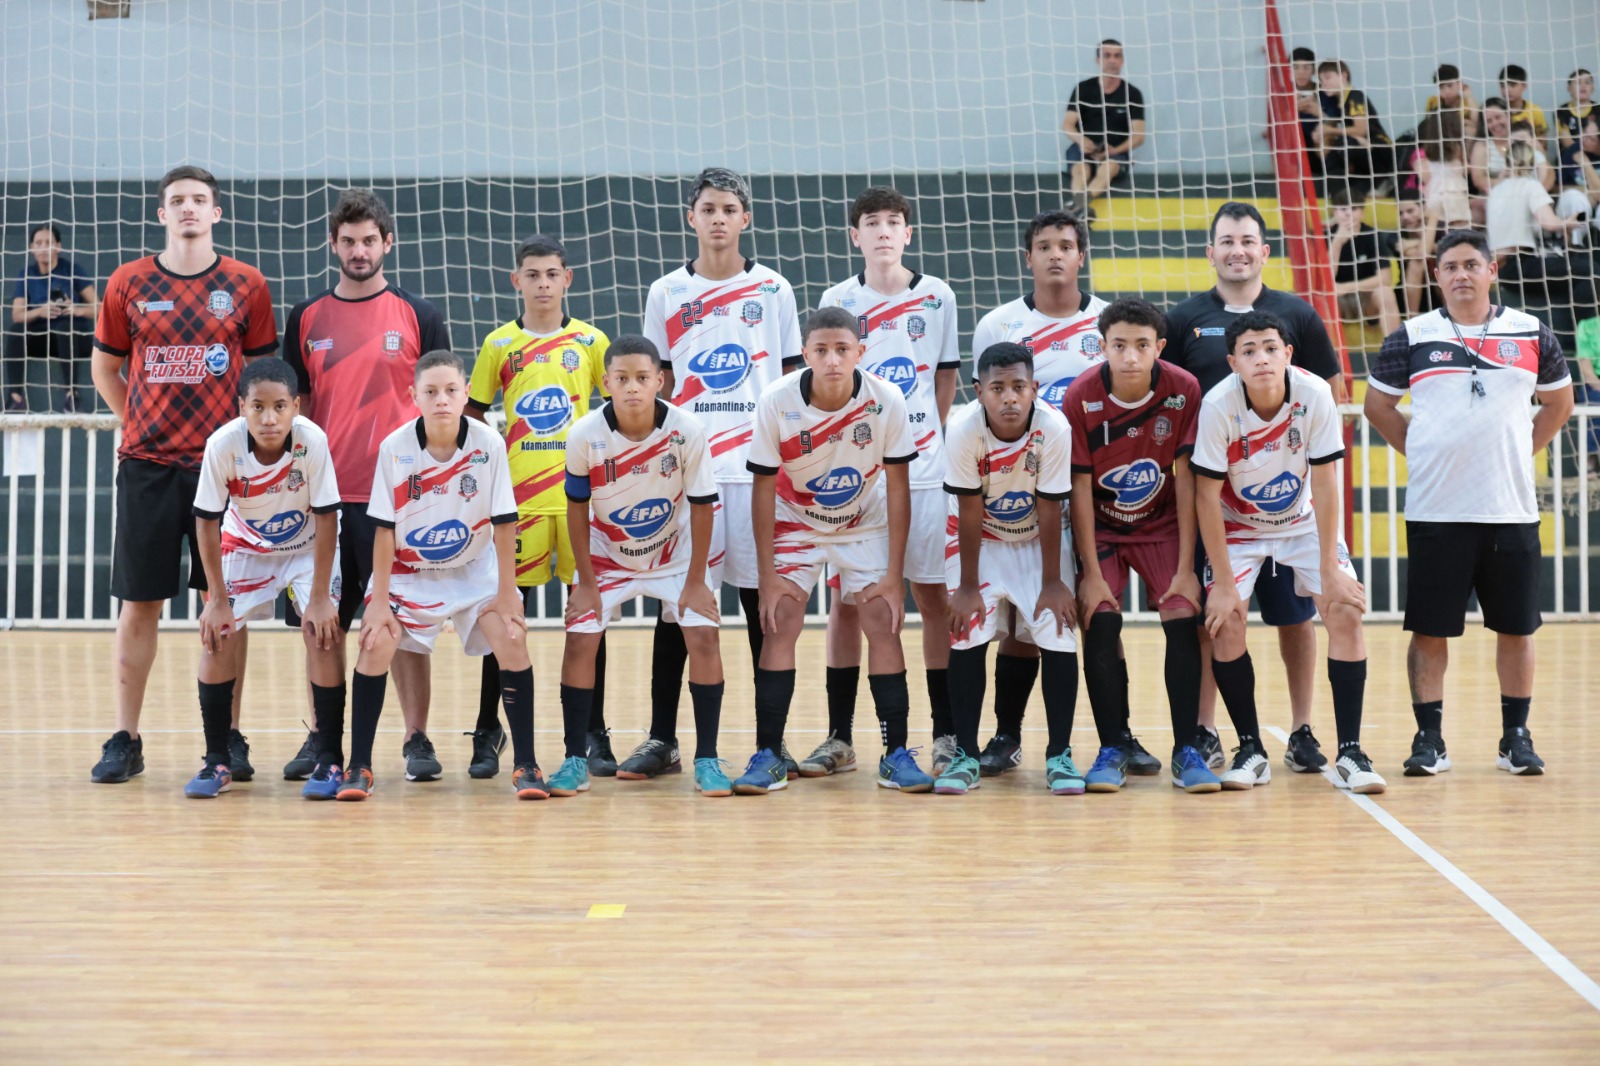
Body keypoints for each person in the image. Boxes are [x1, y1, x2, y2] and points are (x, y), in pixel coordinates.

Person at [89, 165, 278, 785]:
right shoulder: (129, 282)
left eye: (200, 200)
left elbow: (259, 384)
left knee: (225, 603)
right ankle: (125, 737)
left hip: (221, 471)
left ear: (216, 213)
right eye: (178, 201)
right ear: (161, 213)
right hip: (146, 466)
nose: (189, 208)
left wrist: (241, 444)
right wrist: (134, 421)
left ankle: (226, 738)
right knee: (139, 602)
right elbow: (105, 371)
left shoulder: (246, 285)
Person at [1363, 230, 1574, 777]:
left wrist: (1519, 450)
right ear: (1436, 275)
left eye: (1470, 265)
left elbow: (1558, 402)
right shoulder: (1412, 334)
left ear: (1492, 269)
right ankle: (1429, 739)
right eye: (1450, 266)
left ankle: (1515, 738)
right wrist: (1423, 450)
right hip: (1437, 510)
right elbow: (1377, 406)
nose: (1460, 274)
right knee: (1430, 629)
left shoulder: (1530, 331)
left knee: (1517, 628)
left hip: (1510, 509)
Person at [968, 209, 1161, 778]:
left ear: (1082, 256)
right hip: (1021, 503)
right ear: (1027, 257)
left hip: (1096, 498)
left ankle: (1117, 737)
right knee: (1022, 625)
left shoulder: (1110, 325)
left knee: (1102, 621)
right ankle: (1005, 737)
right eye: (1044, 245)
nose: (1056, 254)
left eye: (1066, 245)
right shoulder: (997, 325)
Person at [1161, 201, 1346, 775]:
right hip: (1215, 499)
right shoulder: (1184, 319)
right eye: (1226, 241)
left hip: (1287, 499)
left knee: (1296, 619)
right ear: (1210, 252)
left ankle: (1302, 729)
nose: (1237, 249)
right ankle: (1210, 729)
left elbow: (1330, 394)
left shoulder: (1296, 314)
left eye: (1248, 240)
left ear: (1265, 251)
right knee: (1215, 618)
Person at [281, 188, 452, 784]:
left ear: (388, 243)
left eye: (369, 240)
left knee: (399, 622)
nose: (358, 250)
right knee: (320, 624)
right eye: (348, 241)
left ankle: (416, 737)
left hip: (400, 501)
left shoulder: (420, 315)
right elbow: (293, 411)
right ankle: (322, 737)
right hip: (325, 500)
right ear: (334, 245)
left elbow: (439, 403)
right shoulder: (304, 317)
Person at [642, 167, 802, 774]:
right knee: (679, 609)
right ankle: (664, 740)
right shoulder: (666, 293)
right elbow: (657, 386)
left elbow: (792, 385)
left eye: (728, 208)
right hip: (692, 476)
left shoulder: (774, 290)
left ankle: (771, 744)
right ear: (692, 217)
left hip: (759, 473)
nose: (716, 217)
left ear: (745, 218)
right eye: (706, 207)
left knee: (765, 606)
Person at [738, 306, 930, 795]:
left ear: (860, 353)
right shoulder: (776, 400)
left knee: (882, 622)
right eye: (820, 350)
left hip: (863, 521)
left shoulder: (885, 399)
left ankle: (896, 754)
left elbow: (900, 487)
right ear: (804, 354)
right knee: (780, 619)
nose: (831, 360)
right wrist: (767, 575)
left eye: (842, 349)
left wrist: (893, 574)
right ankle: (768, 754)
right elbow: (760, 489)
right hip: (794, 521)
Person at [1193, 311, 1384, 793]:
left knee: (1344, 610)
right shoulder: (1218, 406)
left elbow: (1325, 478)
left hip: (1301, 521)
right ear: (1233, 361)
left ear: (1288, 354)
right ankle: (1250, 747)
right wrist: (1221, 582)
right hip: (1238, 525)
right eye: (1250, 351)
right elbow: (1204, 496)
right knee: (1226, 620)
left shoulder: (1315, 393)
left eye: (1271, 348)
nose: (1262, 358)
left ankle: (1351, 752)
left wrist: (1329, 570)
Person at [337, 349, 538, 801]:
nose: (442, 400)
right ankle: (358, 767)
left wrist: (508, 592)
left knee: (511, 635)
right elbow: (383, 532)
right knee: (374, 642)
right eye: (431, 392)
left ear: (467, 393)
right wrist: (381, 601)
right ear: (414, 396)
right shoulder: (395, 448)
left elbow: (506, 520)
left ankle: (527, 764)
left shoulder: (489, 444)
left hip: (472, 569)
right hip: (411, 571)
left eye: (451, 390)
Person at [807, 186, 958, 778]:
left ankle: (945, 734)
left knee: (932, 599)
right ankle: (840, 739)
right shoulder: (838, 298)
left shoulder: (937, 296)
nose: (885, 232)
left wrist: (921, 436)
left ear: (908, 233)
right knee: (847, 606)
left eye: (895, 222)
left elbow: (943, 382)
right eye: (872, 223)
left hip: (923, 473)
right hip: (857, 477)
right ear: (856, 236)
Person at [466, 236, 611, 779]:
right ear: (517, 281)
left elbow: (617, 406)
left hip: (579, 504)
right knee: (501, 623)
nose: (543, 283)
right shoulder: (499, 345)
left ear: (567, 279)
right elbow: (475, 416)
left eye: (552, 273)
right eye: (533, 274)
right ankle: (488, 730)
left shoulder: (592, 342)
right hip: (518, 508)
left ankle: (594, 731)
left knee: (589, 622)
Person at [1063, 299, 1221, 794]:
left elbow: (1188, 475)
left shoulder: (1184, 388)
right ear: (1102, 345)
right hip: (1104, 529)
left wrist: (1188, 565)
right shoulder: (1081, 396)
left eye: (1142, 346)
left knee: (1182, 616)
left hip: (1164, 524)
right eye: (1119, 346)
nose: (1130, 357)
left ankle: (1187, 748)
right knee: (1101, 619)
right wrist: (1089, 571)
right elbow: (1080, 488)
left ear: (1160, 347)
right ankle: (1113, 745)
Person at [560, 335, 728, 796]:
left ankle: (708, 759)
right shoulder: (584, 434)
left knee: (704, 635)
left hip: (672, 551)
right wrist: (587, 584)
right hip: (606, 553)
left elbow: (701, 505)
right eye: (622, 379)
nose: (632, 387)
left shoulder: (687, 430)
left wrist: (695, 581)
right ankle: (575, 758)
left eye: (641, 378)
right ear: (605, 383)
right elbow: (577, 509)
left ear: (660, 380)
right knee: (579, 642)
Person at [187, 358, 343, 799]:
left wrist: (318, 598)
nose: (269, 418)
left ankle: (330, 759)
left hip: (307, 545)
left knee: (322, 632)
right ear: (241, 407)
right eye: (258, 407)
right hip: (246, 544)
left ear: (296, 406)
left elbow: (330, 517)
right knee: (217, 632)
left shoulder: (312, 441)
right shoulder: (223, 446)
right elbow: (205, 522)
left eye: (279, 406)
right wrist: (216, 597)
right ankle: (217, 760)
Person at [935, 342, 1079, 796]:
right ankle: (964, 754)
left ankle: (1059, 754)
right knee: (969, 629)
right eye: (998, 388)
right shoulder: (961, 428)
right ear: (979, 391)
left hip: (1040, 539)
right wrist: (967, 587)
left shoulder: (1054, 427)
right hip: (978, 537)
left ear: (1035, 388)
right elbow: (969, 508)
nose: (1010, 397)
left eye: (1019, 386)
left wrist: (1053, 582)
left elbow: (1052, 505)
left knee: (1056, 630)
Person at [1486, 140, 1597, 347]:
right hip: (1521, 265)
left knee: (1578, 263)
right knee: (1590, 271)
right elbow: (1551, 224)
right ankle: (1585, 342)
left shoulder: (1496, 190)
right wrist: (1569, 222)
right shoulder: (1530, 185)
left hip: (1502, 268)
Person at [8, 224, 98, 412]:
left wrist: (75, 309)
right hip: (44, 338)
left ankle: (71, 397)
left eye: (48, 242)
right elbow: (17, 315)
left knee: (65, 327)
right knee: (16, 331)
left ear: (58, 246)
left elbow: (100, 307)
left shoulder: (72, 269)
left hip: (73, 339)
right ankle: (16, 399)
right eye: (38, 243)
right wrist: (40, 311)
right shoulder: (27, 274)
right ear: (32, 248)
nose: (43, 247)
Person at [1061, 39, 1146, 215]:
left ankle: (1076, 207)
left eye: (1117, 56)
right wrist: (1081, 140)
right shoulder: (1083, 89)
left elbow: (1139, 136)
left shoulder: (1133, 94)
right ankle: (1080, 207)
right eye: (1107, 56)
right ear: (1098, 60)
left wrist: (1115, 150)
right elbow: (1068, 124)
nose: (1112, 60)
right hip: (1084, 149)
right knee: (1080, 170)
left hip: (1115, 152)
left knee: (1108, 168)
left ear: (1122, 60)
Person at [1311, 59, 1395, 195]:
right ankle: (1338, 197)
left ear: (1344, 76)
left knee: (1342, 143)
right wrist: (1320, 137)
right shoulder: (1338, 104)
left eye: (1327, 78)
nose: (1324, 84)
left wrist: (1330, 131)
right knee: (1332, 155)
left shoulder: (1355, 97)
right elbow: (1323, 153)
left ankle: (1384, 179)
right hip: (1361, 150)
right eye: (1321, 80)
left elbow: (1360, 129)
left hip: (1379, 149)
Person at [1327, 187, 1403, 336]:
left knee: (1385, 292)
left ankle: (1395, 351)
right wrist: (1337, 243)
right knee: (1320, 297)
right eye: (1343, 209)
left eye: (1354, 208)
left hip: (1365, 300)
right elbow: (1325, 281)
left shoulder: (1371, 235)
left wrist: (1347, 287)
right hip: (1336, 301)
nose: (1348, 213)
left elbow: (1385, 279)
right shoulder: (1324, 235)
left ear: (1362, 212)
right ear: (1334, 212)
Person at [1423, 63, 1480, 136]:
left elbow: (1477, 124)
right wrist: (1464, 122)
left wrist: (1469, 96)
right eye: (1441, 87)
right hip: (1438, 137)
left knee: (1470, 130)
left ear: (1459, 83)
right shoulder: (1433, 102)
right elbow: (1429, 125)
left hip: (1460, 138)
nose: (1446, 91)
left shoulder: (1467, 103)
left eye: (1450, 85)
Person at [1499, 64, 1549, 141]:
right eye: (1503, 86)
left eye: (1513, 85)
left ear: (1524, 86)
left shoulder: (1535, 110)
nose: (1507, 90)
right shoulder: (1497, 111)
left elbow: (1542, 140)